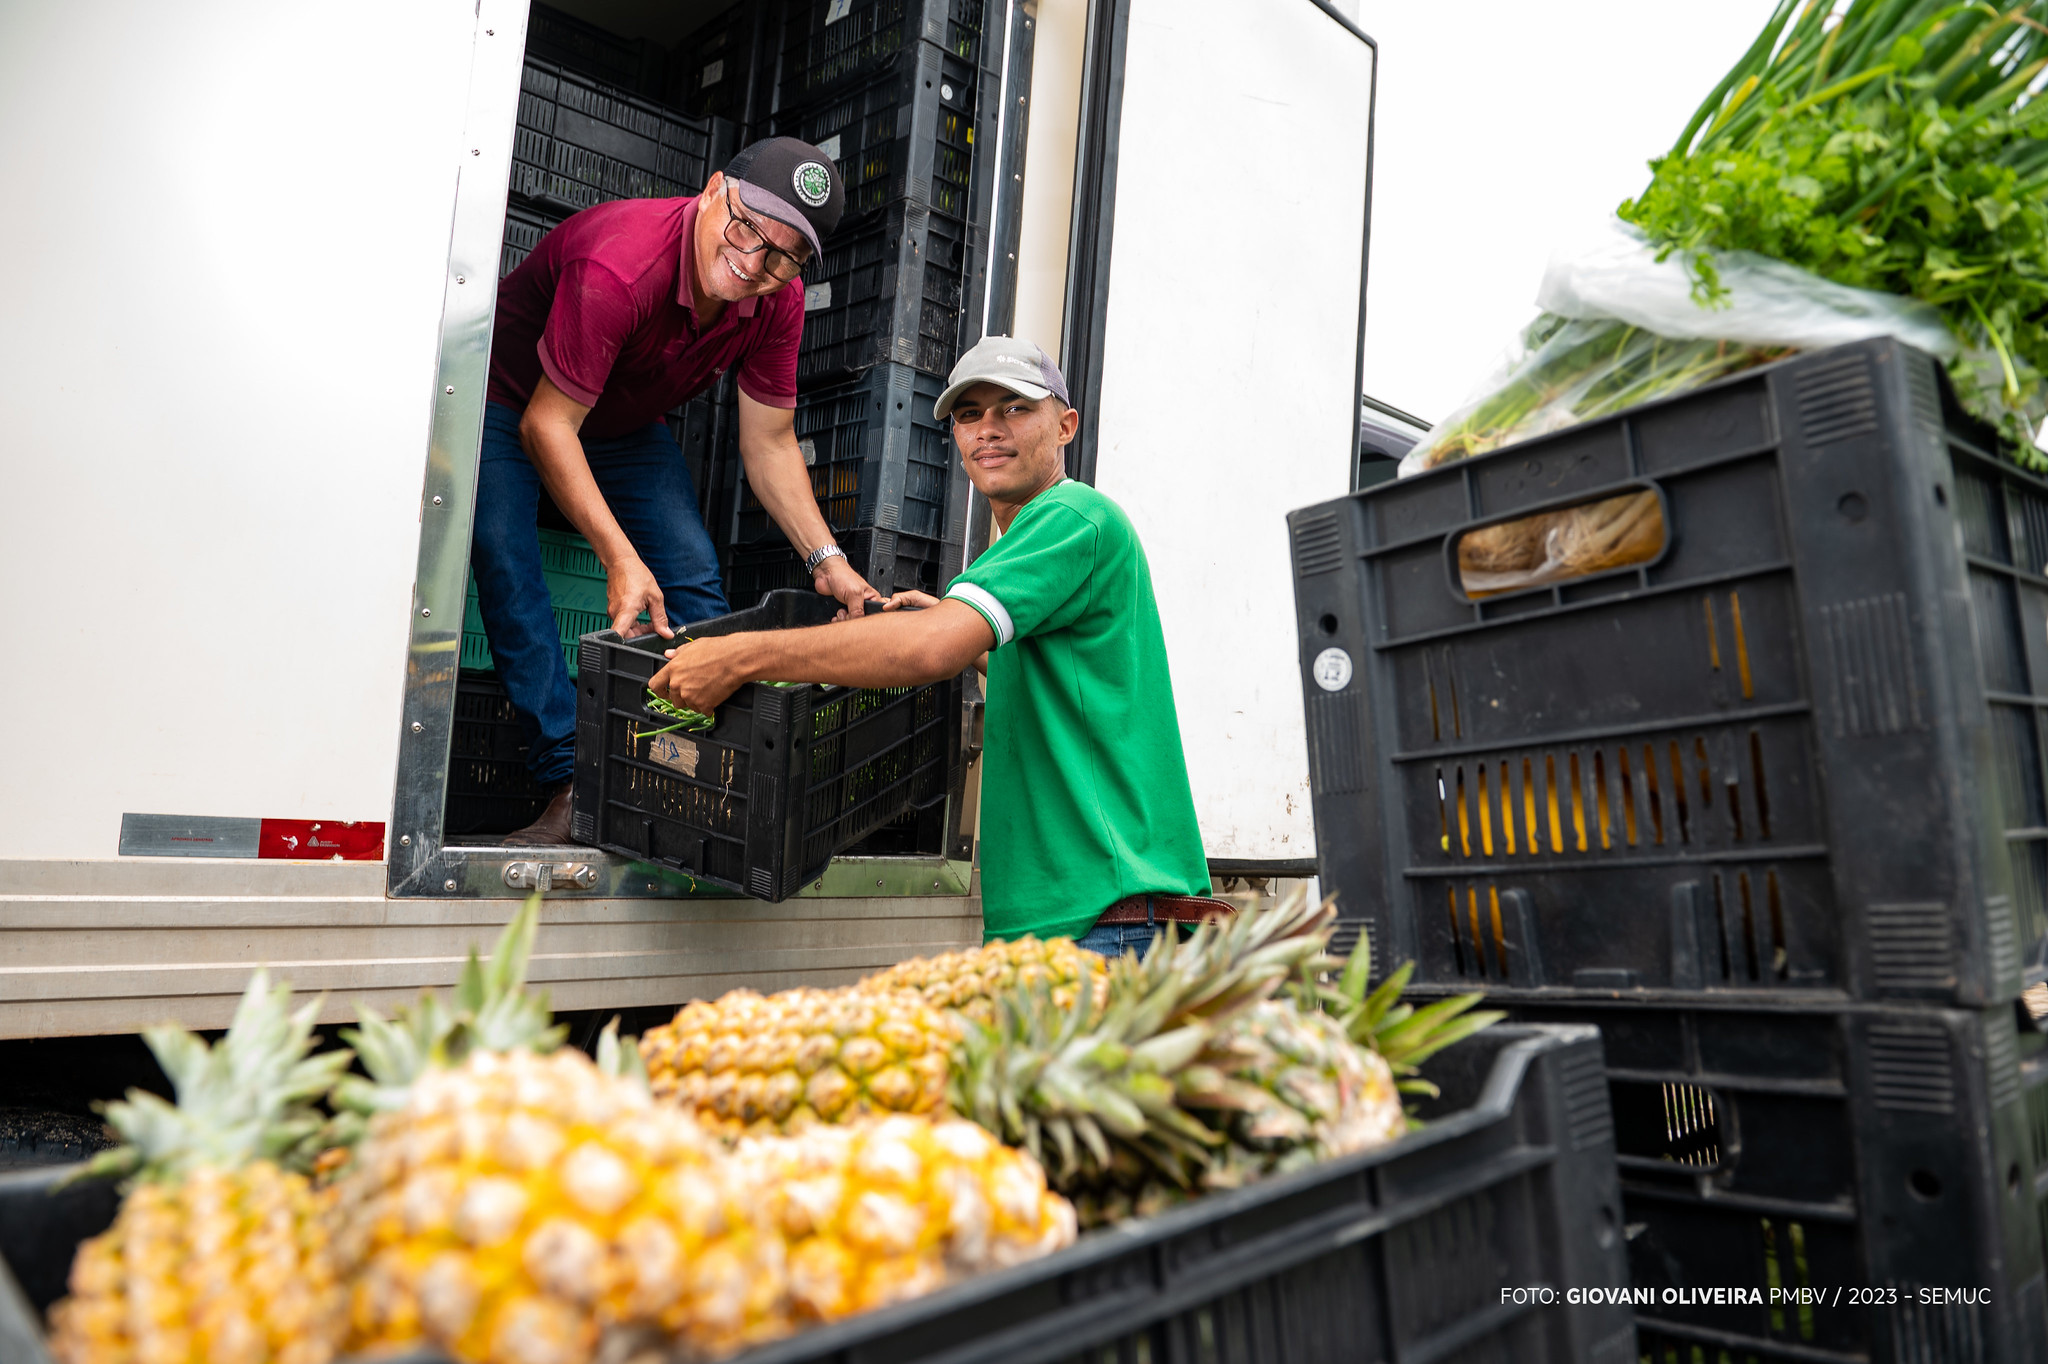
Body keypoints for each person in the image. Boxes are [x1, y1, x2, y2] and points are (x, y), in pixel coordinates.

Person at [644, 336, 1223, 957]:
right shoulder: (1033, 543)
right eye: (970, 415)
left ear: (1066, 426)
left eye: (1015, 408)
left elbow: (927, 654)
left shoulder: (1071, 516)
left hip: (1105, 925)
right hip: (1077, 928)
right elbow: (1068, 692)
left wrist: (739, 656)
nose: (988, 430)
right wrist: (966, 641)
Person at [477, 137, 881, 846]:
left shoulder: (776, 300)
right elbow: (547, 423)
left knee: (693, 576)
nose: (754, 262)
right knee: (506, 555)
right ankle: (573, 777)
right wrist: (619, 556)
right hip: (512, 401)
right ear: (713, 187)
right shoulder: (619, 265)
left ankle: (709, 776)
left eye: (783, 255)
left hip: (622, 422)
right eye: (746, 226)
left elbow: (769, 442)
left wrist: (829, 562)